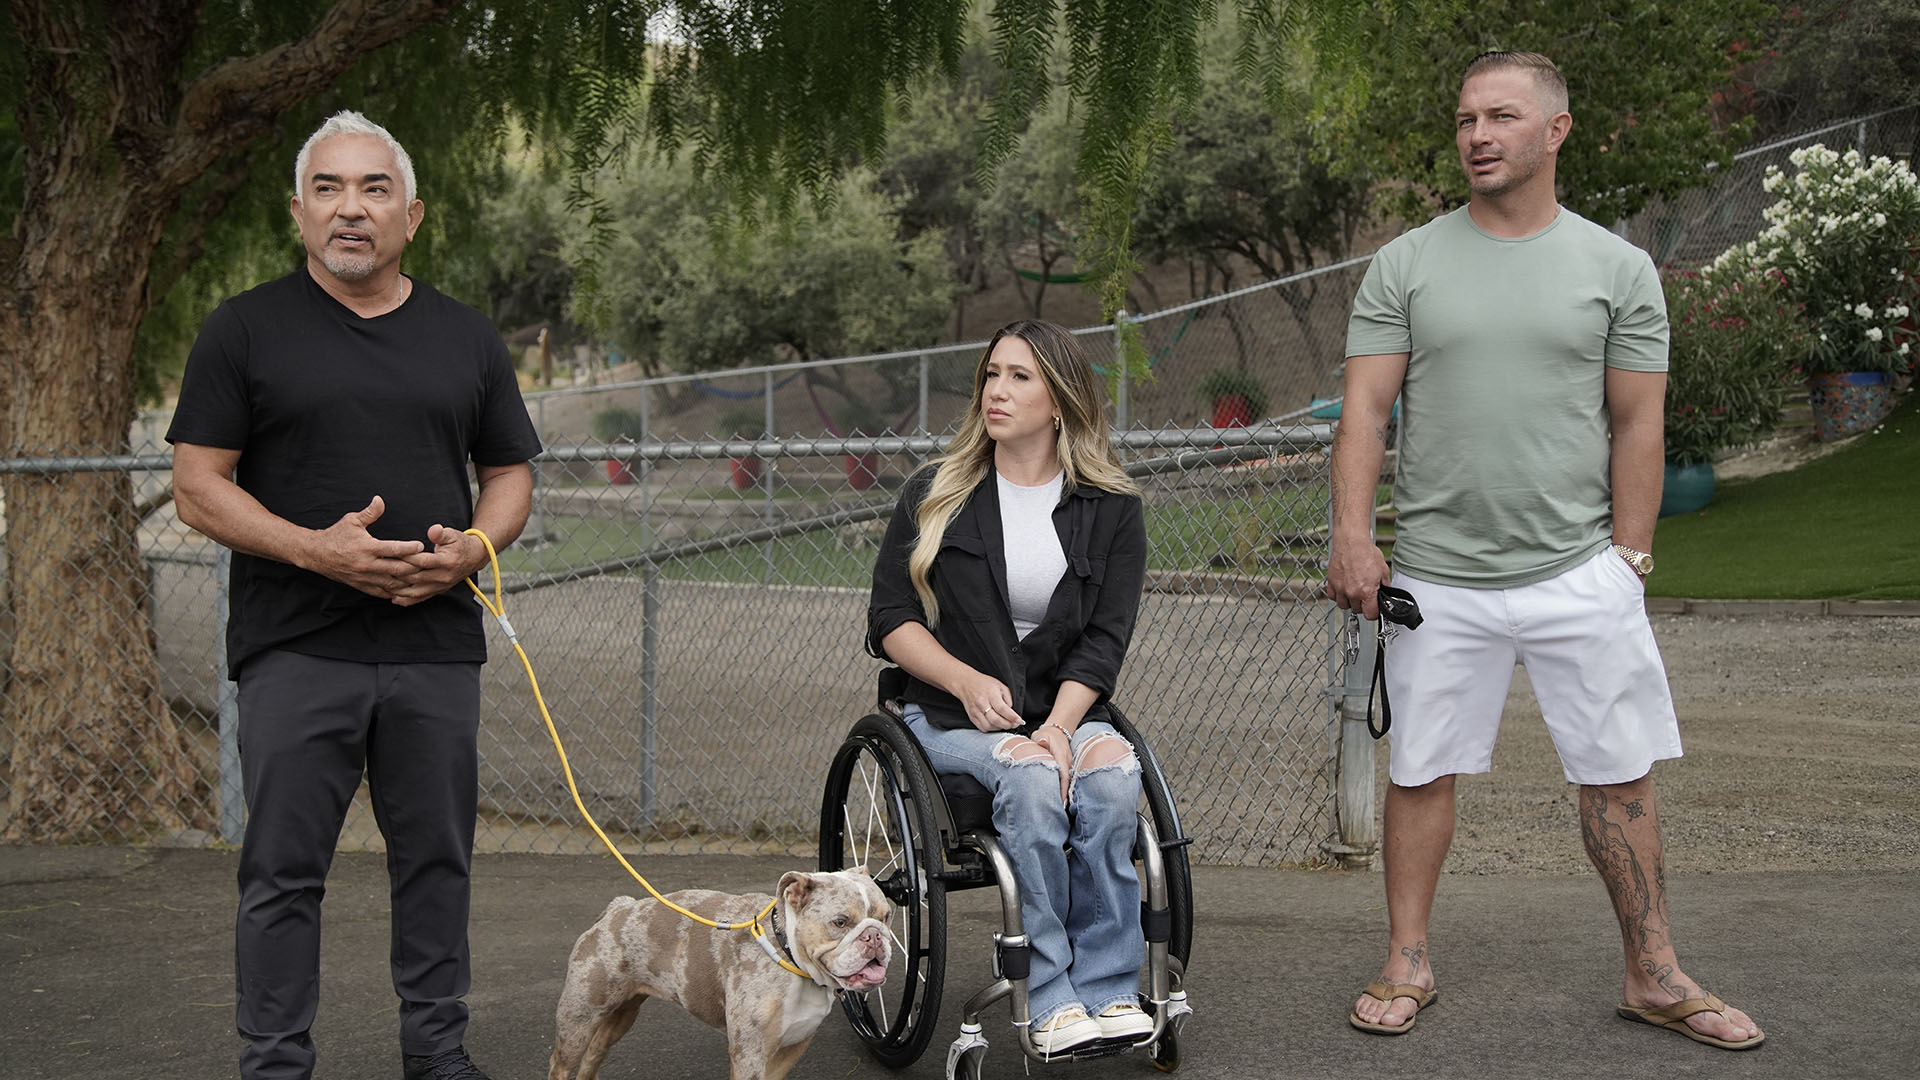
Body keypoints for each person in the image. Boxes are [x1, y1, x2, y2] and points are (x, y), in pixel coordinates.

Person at [1327, 52, 1764, 1050]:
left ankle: (1654, 974)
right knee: (1420, 771)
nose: (1479, 135)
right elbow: (1363, 409)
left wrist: (1630, 561)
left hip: (1580, 574)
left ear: (1555, 131)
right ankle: (1407, 961)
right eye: (1467, 118)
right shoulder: (1408, 264)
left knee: (1620, 775)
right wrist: (1356, 536)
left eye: (1503, 116)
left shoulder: (1617, 269)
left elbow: (1639, 425)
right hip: (1436, 578)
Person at [168, 111, 541, 1080]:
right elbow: (197, 484)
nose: (351, 208)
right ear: (299, 213)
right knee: (283, 876)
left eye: (375, 189)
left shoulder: (466, 337)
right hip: (296, 647)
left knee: (437, 866)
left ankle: (437, 1055)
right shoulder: (243, 328)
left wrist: (472, 548)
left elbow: (509, 478)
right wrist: (315, 552)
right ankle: (278, 1062)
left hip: (434, 649)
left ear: (411, 215)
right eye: (329, 188)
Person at [866, 319, 1153, 1055]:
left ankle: (1114, 986)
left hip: (1063, 705)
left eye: (1020, 377)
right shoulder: (937, 492)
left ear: (1060, 399)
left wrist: (1059, 728)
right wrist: (963, 682)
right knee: (1028, 783)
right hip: (950, 715)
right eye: (993, 374)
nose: (998, 390)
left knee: (1115, 781)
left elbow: (1104, 640)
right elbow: (891, 619)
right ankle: (1052, 996)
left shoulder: (1112, 507)